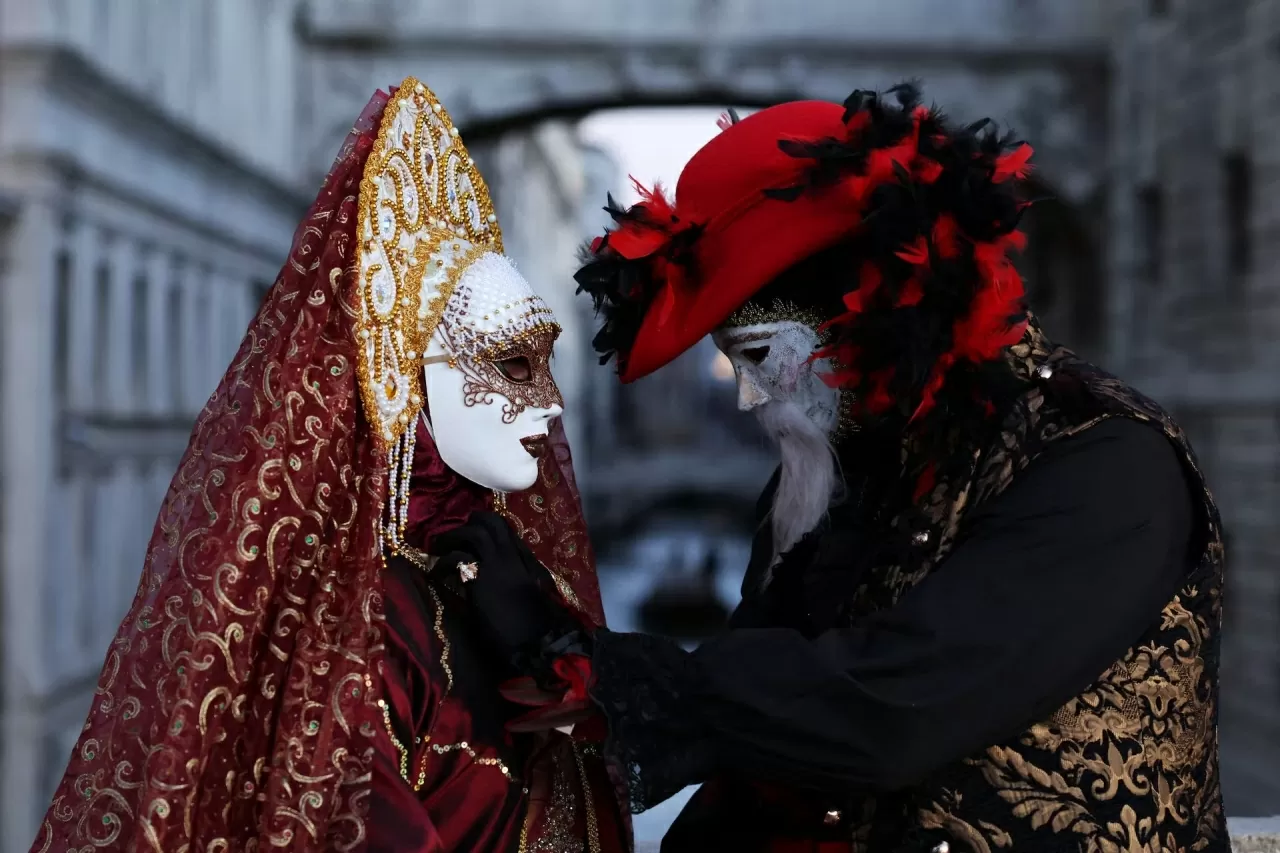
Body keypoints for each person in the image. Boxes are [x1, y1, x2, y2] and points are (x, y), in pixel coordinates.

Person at [444, 84, 1228, 852]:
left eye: (757, 356)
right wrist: (550, 649)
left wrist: (603, 670)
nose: (748, 400)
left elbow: (891, 707)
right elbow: (760, 723)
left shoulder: (1103, 461)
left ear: (868, 320)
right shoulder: (837, 477)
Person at [32, 77, 627, 853]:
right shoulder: (357, 626)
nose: (550, 405)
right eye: (512, 364)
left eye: (545, 364)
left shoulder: (498, 573)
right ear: (405, 381)